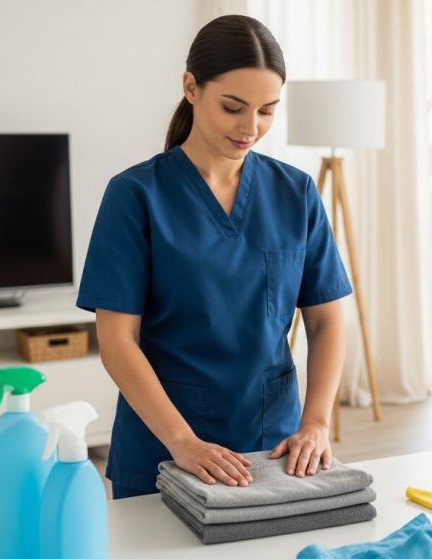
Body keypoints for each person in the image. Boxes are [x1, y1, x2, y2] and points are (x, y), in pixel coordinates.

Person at [76, 15, 352, 499]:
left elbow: (327, 322)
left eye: (267, 111)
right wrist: (182, 441)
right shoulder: (135, 195)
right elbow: (118, 339)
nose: (251, 128)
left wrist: (317, 423)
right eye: (233, 107)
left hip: (273, 448)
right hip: (163, 447)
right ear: (191, 87)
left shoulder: (297, 192)